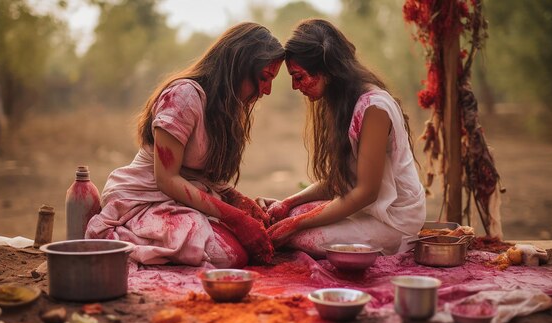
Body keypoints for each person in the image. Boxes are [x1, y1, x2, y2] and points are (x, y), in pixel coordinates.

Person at [85, 23, 284, 267]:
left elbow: (201, 175)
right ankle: (128, 236)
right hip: (142, 201)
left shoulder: (225, 108)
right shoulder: (183, 96)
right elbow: (166, 179)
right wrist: (236, 219)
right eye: (264, 78)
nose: (268, 90)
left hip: (180, 199)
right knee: (229, 254)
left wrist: (236, 200)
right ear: (238, 66)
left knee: (245, 244)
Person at [262, 19, 425, 256]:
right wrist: (287, 204)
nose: (296, 86)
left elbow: (366, 192)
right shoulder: (344, 104)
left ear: (326, 71)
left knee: (301, 235)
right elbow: (340, 182)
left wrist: (297, 224)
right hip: (366, 211)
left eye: (299, 76)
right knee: (290, 216)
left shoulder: (374, 108)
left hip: (393, 222)